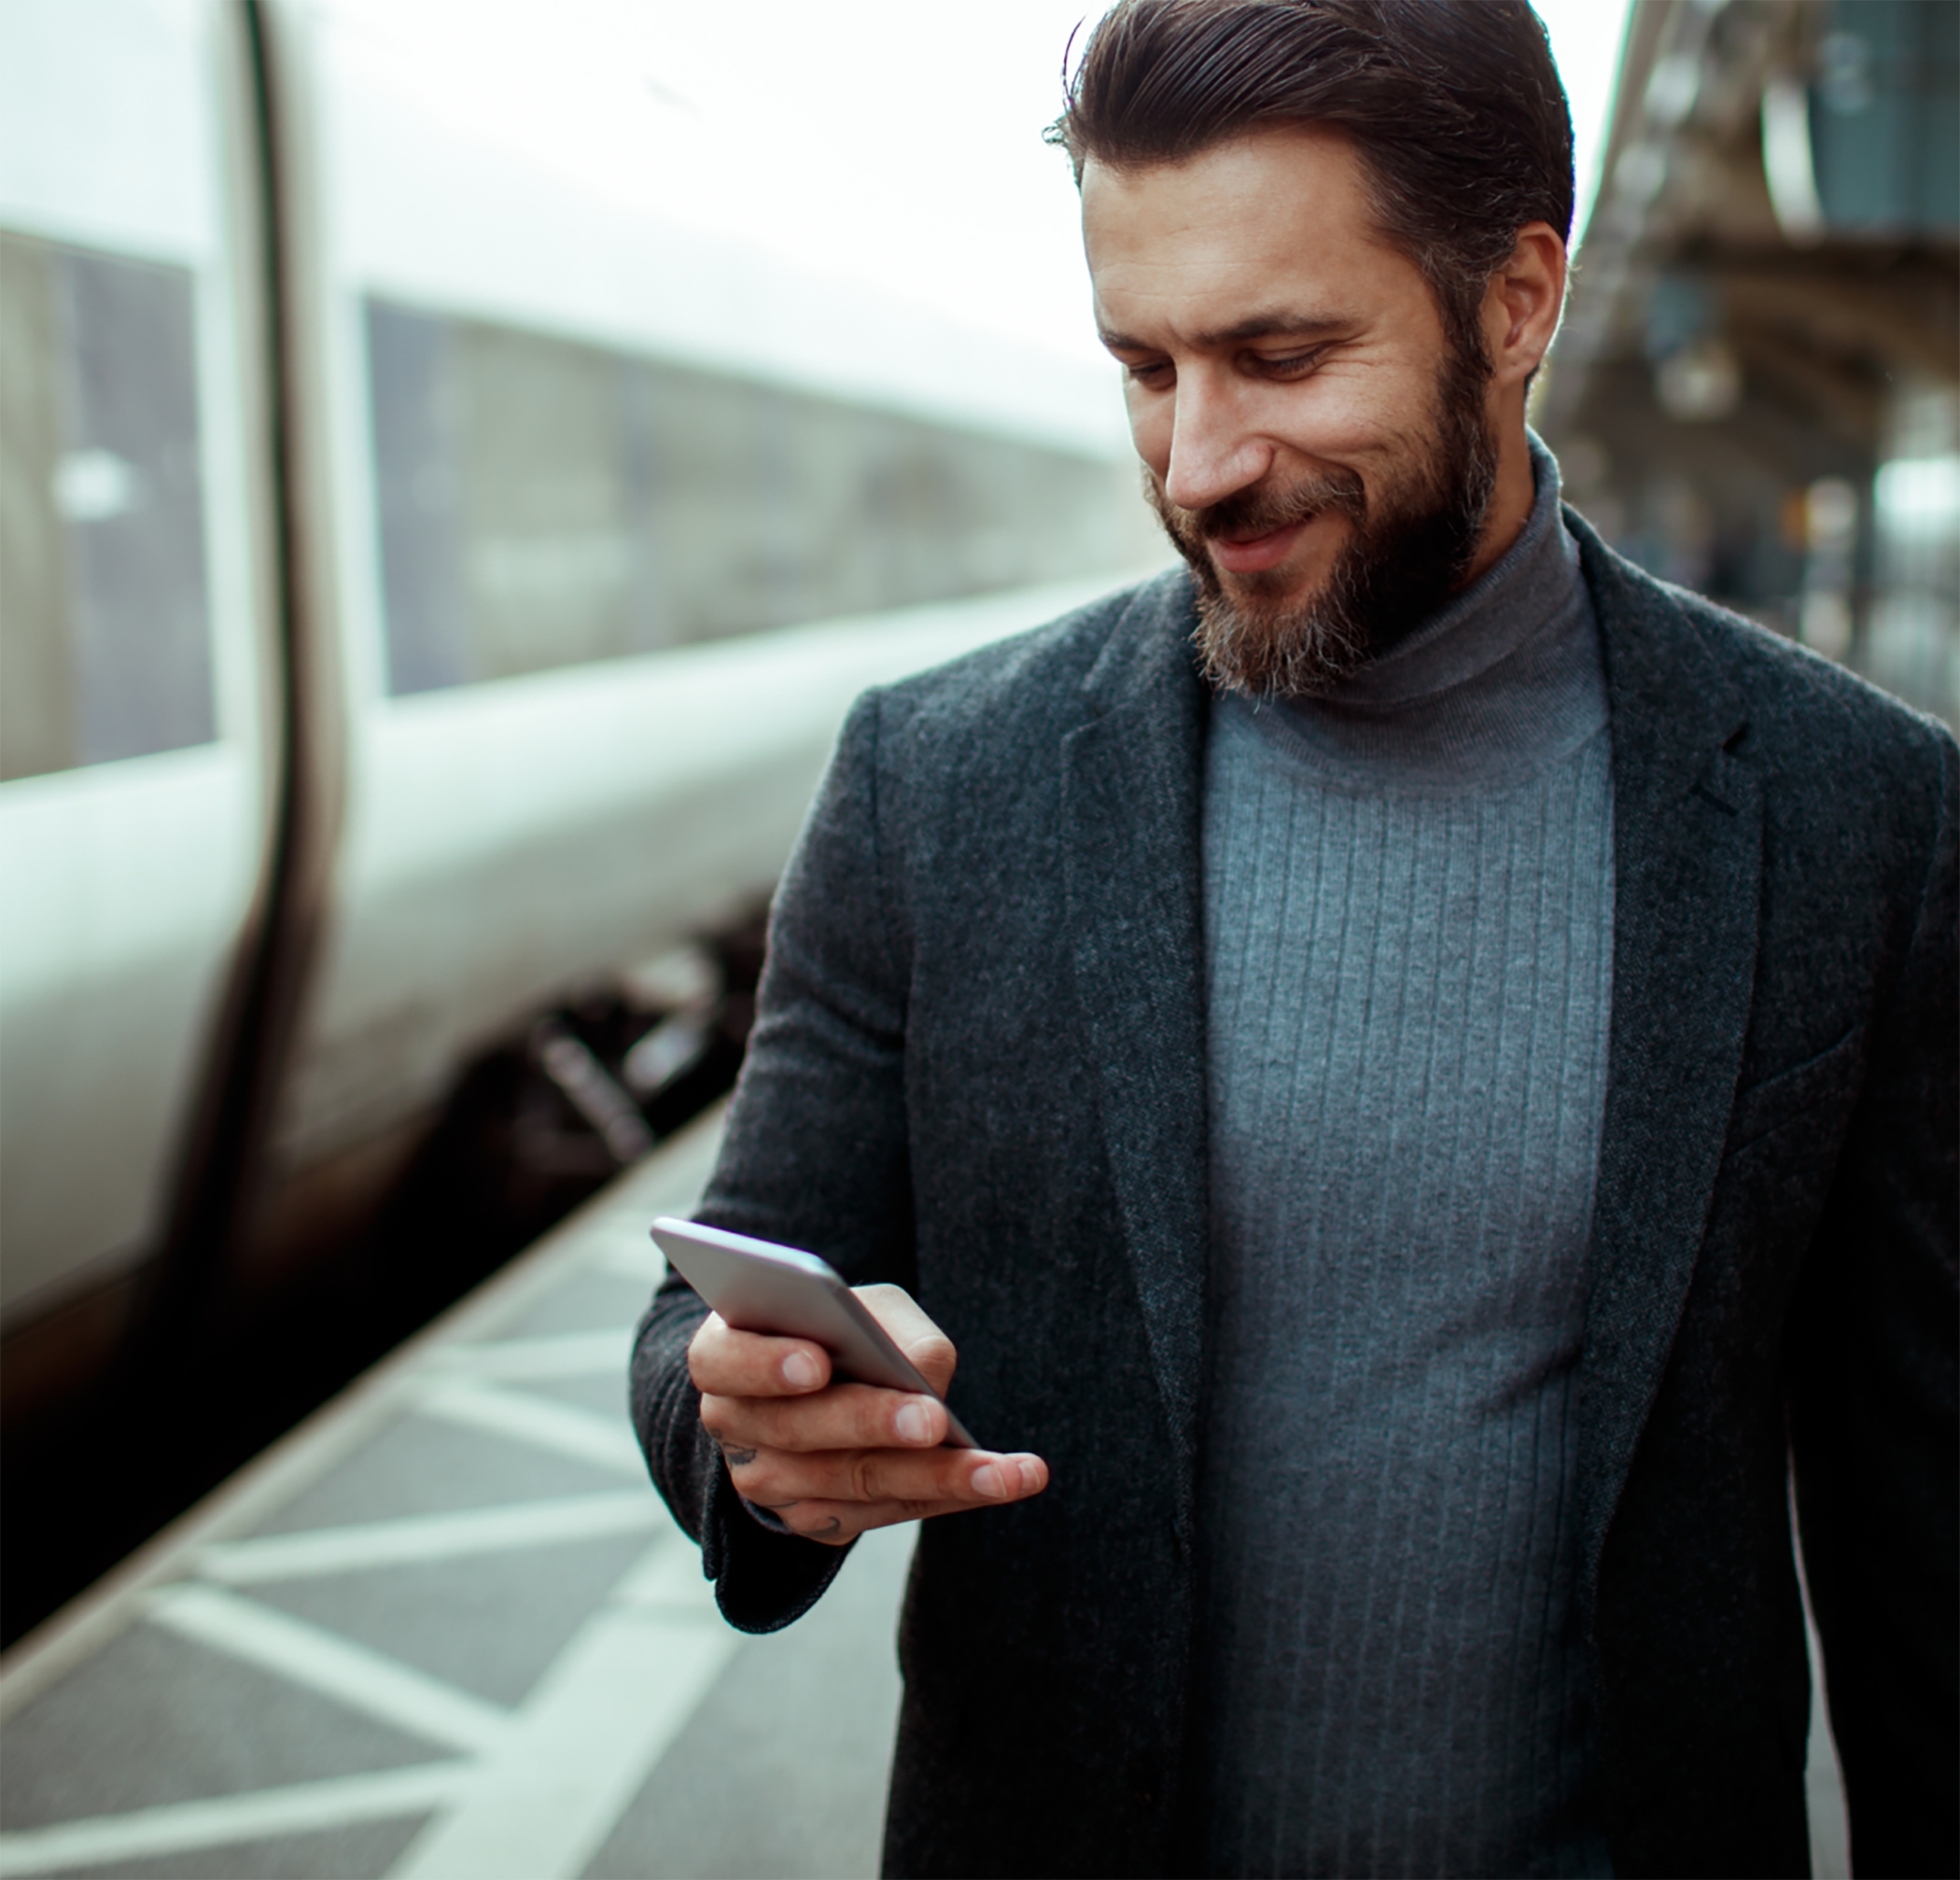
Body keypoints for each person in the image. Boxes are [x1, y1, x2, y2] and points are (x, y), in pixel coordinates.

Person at [631, 2, 1960, 1873]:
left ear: (1516, 303)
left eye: (1278, 354)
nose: (1198, 462)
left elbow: (1933, 1550)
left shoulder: (1860, 819)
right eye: (1145, 367)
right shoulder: (936, 785)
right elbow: (714, 1313)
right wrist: (755, 1433)